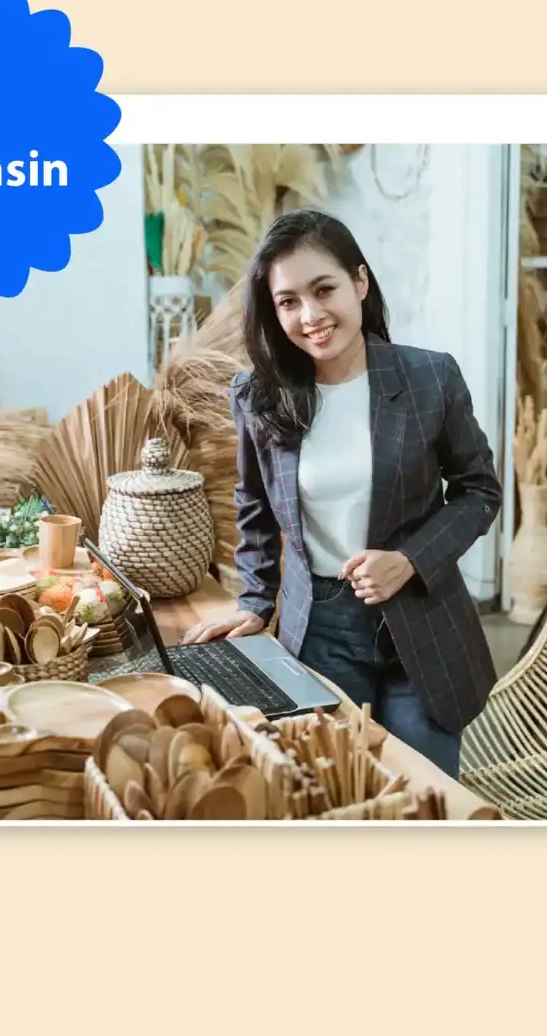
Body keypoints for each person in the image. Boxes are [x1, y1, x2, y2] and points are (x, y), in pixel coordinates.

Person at [182, 209, 503, 778]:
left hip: (422, 625)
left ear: (360, 281)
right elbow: (254, 507)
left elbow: (479, 491)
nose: (310, 316)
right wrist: (256, 603)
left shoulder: (431, 378)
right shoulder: (258, 396)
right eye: (288, 301)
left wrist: (409, 561)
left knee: (420, 797)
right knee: (336, 787)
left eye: (323, 288)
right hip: (321, 626)